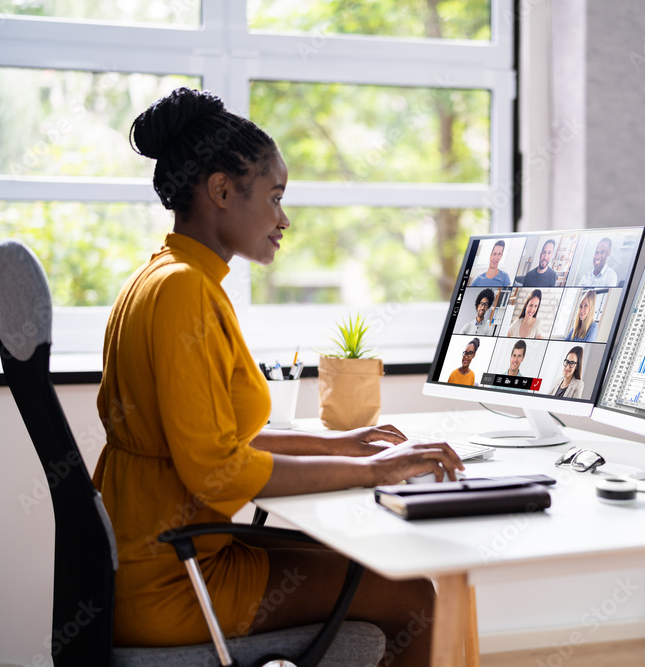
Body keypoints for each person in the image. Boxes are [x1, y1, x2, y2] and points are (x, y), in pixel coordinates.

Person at [92, 88, 461, 664]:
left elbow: (207, 439)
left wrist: (337, 445)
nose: (283, 219)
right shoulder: (184, 291)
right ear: (220, 190)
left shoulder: (163, 276)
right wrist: (374, 468)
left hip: (160, 559)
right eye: (275, 196)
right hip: (174, 581)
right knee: (410, 595)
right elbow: (216, 472)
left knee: (368, 568)